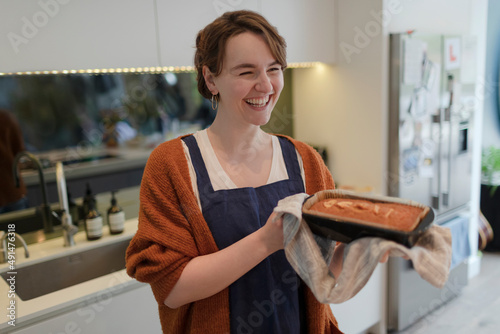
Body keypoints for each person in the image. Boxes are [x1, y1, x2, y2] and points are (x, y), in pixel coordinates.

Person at [126, 10, 343, 334]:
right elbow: (171, 290)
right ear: (211, 79)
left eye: (274, 69)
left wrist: (364, 247)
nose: (266, 85)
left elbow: (325, 277)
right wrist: (266, 242)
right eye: (246, 72)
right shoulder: (172, 166)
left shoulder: (305, 160)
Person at [0, 108, 29, 214]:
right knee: (15, 228)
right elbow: (20, 153)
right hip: (12, 190)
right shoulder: (6, 118)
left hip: (11, 191)